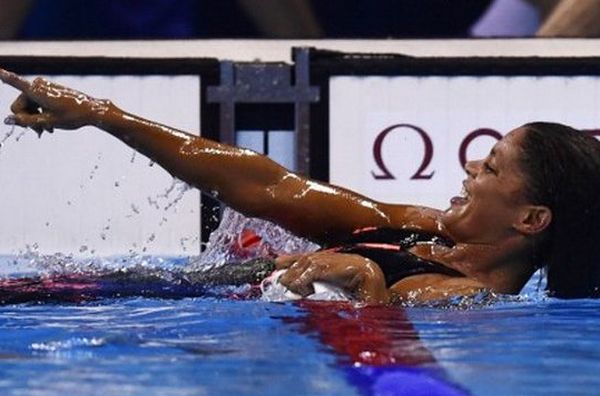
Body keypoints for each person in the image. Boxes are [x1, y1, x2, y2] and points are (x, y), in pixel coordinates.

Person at [1, 68, 599, 304]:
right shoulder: (420, 226)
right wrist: (105, 114)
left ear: (532, 220)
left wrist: (367, 282)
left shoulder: (473, 298)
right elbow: (269, 185)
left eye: (491, 167)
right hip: (176, 291)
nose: (470, 167)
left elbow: (401, 310)